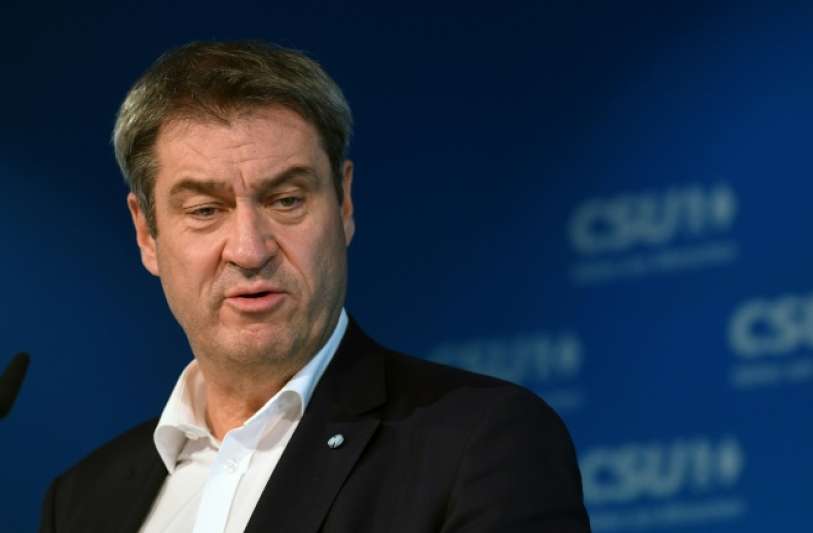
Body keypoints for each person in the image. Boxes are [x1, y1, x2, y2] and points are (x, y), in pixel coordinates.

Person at [39, 40, 590, 533]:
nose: (250, 249)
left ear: (344, 204)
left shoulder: (479, 443)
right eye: (205, 210)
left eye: (286, 200)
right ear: (147, 233)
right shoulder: (82, 502)